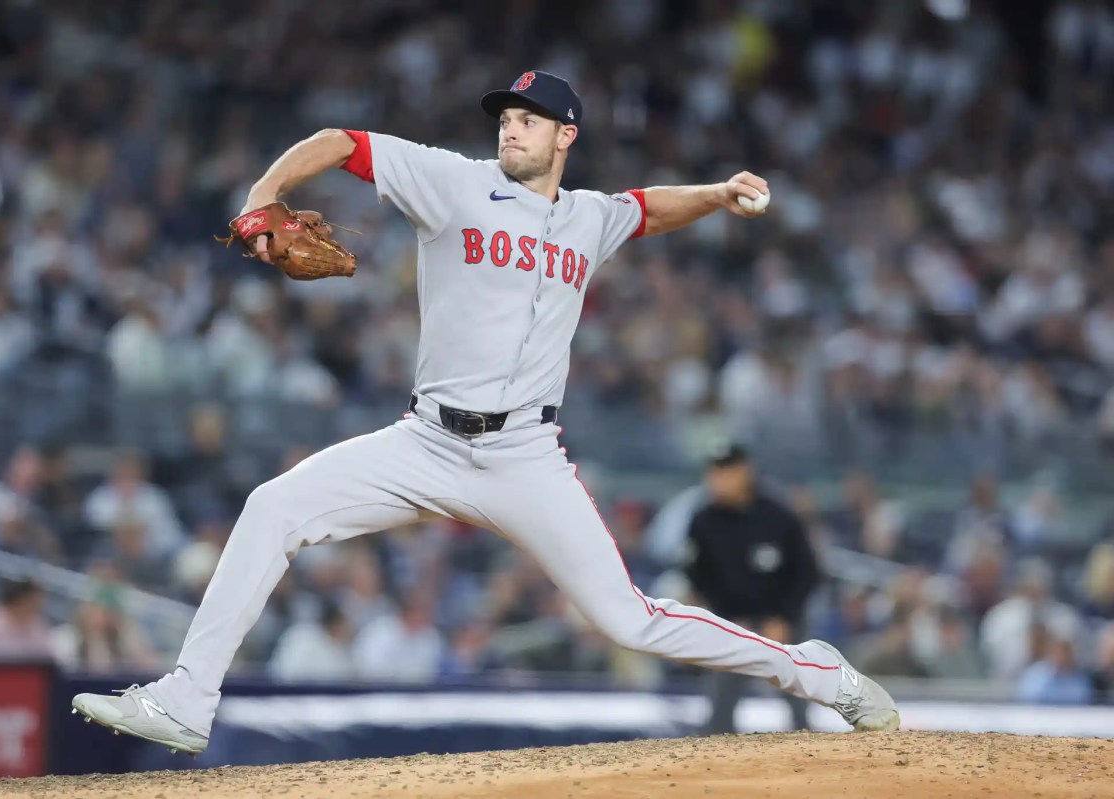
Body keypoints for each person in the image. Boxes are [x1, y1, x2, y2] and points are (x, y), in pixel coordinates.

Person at [72, 70, 898, 754]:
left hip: (526, 457)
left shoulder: (587, 217)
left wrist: (717, 193)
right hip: (425, 439)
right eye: (506, 115)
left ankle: (816, 672)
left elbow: (645, 207)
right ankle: (187, 698)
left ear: (565, 136)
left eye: (530, 120)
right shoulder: (453, 181)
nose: (511, 128)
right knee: (272, 505)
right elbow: (338, 142)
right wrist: (262, 194)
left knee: (629, 619)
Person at [684, 443, 821, 733]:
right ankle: (713, 764)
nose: (718, 480)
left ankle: (809, 761)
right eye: (714, 473)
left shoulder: (779, 517)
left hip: (781, 625)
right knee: (721, 704)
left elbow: (808, 573)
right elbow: (698, 575)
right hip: (732, 623)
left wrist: (782, 617)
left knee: (798, 702)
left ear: (745, 473)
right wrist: (725, 617)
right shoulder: (704, 521)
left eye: (725, 472)